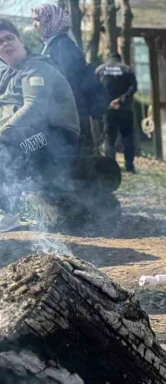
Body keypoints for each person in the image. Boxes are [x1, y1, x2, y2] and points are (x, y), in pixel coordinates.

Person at [0, 18, 80, 232]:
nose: (5, 44)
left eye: (9, 38)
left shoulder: (38, 69)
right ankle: (23, 210)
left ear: (21, 41)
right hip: (28, 134)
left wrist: (2, 134)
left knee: (5, 150)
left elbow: (34, 109)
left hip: (55, 135)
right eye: (0, 42)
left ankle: (9, 212)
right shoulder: (8, 73)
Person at [32, 3, 108, 149]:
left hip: (69, 120)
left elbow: (68, 85)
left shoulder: (62, 46)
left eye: (37, 19)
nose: (34, 25)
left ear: (50, 21)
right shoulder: (56, 45)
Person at [96, 53, 137, 173]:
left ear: (107, 59)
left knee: (109, 138)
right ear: (120, 59)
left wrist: (106, 102)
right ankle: (129, 166)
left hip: (107, 110)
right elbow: (133, 88)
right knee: (127, 137)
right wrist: (120, 100)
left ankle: (110, 167)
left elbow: (95, 89)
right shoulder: (127, 70)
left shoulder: (100, 70)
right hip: (124, 109)